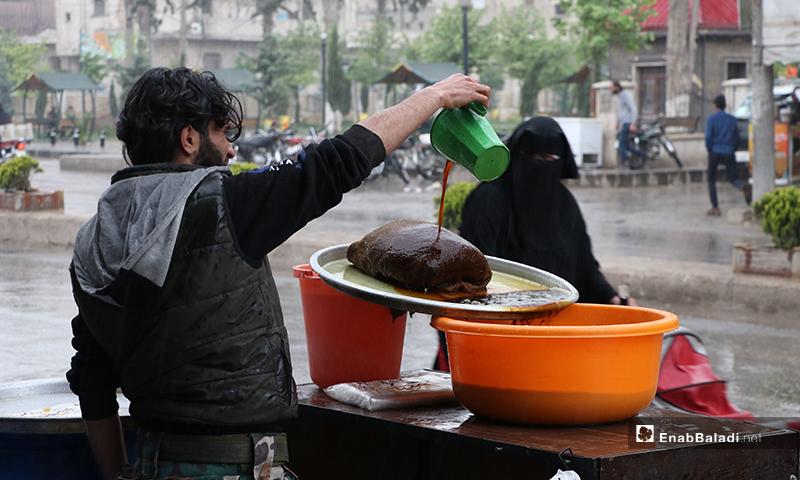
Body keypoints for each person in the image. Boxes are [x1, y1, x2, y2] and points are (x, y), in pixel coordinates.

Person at [66, 67, 490, 480]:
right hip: (234, 465)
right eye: (221, 133)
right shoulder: (222, 205)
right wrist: (431, 98)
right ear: (190, 138)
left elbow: (92, 379)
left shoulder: (93, 238)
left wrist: (120, 473)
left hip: (153, 465)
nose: (232, 151)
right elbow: (337, 161)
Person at [433, 116, 636, 371]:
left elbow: (584, 264)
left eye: (548, 161)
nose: (539, 168)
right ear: (516, 155)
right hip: (494, 343)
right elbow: (473, 278)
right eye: (531, 157)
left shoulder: (564, 205)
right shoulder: (489, 201)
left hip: (554, 342)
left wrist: (613, 299)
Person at [705, 94, 750, 215]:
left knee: (711, 179)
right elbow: (737, 138)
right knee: (733, 178)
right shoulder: (732, 119)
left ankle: (715, 207)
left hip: (715, 151)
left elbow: (708, 137)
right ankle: (742, 187)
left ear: (715, 105)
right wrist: (733, 149)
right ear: (725, 105)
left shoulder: (711, 119)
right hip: (729, 151)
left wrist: (709, 150)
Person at [610, 81, 646, 167]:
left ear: (617, 87)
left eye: (612, 87)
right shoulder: (618, 97)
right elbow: (621, 112)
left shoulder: (625, 95)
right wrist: (617, 123)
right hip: (623, 123)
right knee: (626, 146)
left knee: (621, 144)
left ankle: (625, 162)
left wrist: (632, 123)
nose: (611, 89)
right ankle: (643, 154)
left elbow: (633, 109)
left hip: (627, 123)